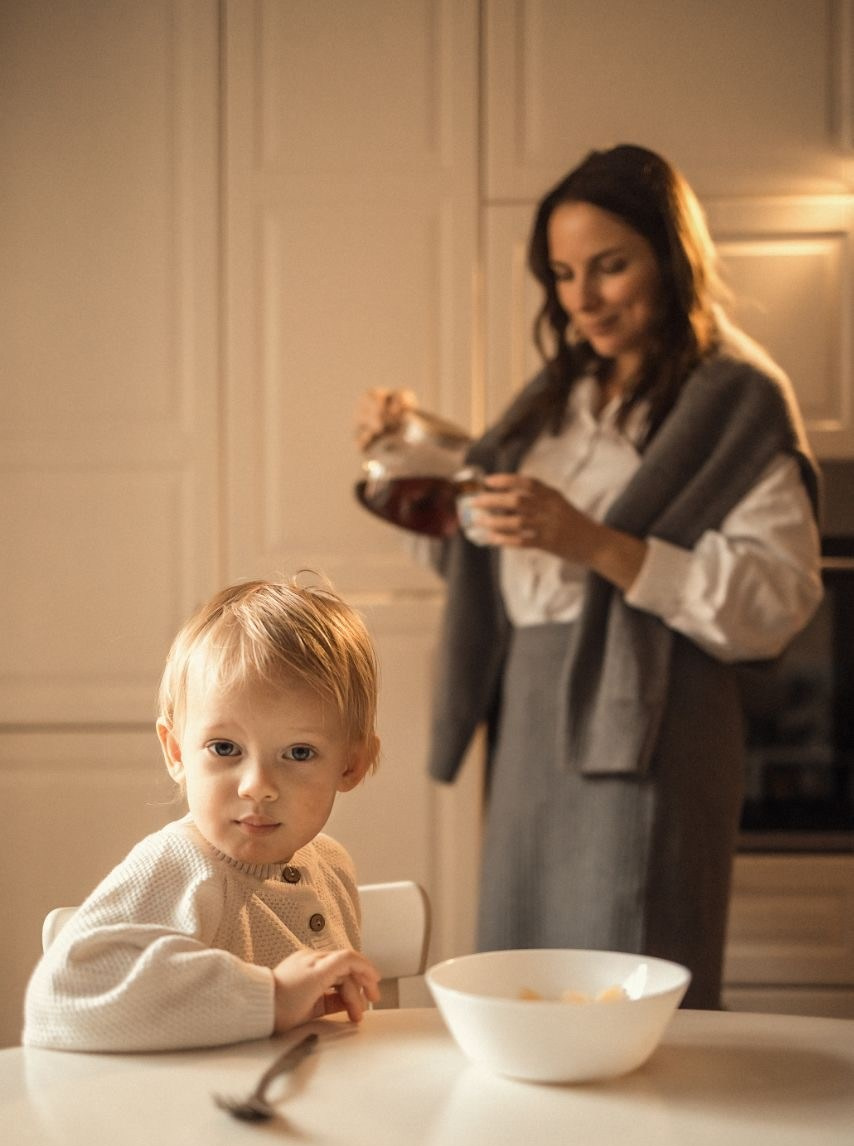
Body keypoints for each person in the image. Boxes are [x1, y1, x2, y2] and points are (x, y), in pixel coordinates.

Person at [356, 143, 823, 1009]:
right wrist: (405, 456)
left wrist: (593, 542)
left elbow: (778, 601)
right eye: (564, 273)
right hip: (531, 709)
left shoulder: (738, 398)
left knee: (631, 974)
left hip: (657, 712)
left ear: (674, 256)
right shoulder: (555, 399)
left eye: (610, 266)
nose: (583, 298)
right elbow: (485, 564)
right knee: (524, 975)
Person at [24, 576, 382, 1051]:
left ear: (352, 764)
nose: (257, 786)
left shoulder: (331, 866)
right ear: (176, 751)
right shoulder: (178, 867)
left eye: (298, 752)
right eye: (225, 747)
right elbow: (60, 998)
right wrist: (270, 997)